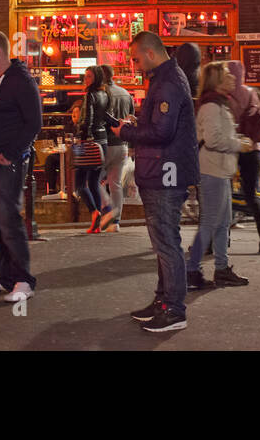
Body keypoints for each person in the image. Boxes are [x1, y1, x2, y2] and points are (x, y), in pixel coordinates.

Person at [112, 31, 199, 333]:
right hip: (163, 169)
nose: (134, 65)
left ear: (150, 53)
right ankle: (163, 302)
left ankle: (174, 310)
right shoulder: (166, 79)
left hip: (165, 172)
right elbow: (161, 127)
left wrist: (126, 133)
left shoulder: (168, 83)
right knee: (164, 241)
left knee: (166, 243)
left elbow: (162, 133)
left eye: (135, 59)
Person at [0, 30, 43, 302]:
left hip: (7, 162)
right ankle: (3, 275)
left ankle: (23, 279)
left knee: (9, 220)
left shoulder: (21, 82)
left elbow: (34, 123)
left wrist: (12, 153)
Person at [185, 61, 252, 291]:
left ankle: (221, 269)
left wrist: (237, 141)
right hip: (212, 171)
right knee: (210, 223)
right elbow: (213, 140)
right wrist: (239, 145)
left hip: (220, 170)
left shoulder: (219, 104)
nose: (232, 78)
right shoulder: (211, 107)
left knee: (222, 223)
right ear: (216, 81)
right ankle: (192, 271)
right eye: (226, 75)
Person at [227, 60, 260, 254]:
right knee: (252, 194)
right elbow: (258, 120)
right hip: (251, 148)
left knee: (224, 195)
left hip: (230, 147)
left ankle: (220, 239)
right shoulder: (251, 93)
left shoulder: (224, 95)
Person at [74, 66, 110, 233]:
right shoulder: (105, 94)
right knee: (94, 182)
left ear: (96, 78)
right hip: (102, 142)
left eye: (89, 76)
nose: (85, 79)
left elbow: (87, 119)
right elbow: (107, 117)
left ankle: (94, 212)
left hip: (88, 141)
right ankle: (98, 223)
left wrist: (81, 139)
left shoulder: (90, 95)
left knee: (79, 184)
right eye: (85, 76)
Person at [98, 64, 129, 232]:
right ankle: (115, 222)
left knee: (92, 181)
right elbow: (131, 117)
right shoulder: (125, 93)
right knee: (116, 184)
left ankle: (109, 211)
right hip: (122, 144)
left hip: (105, 143)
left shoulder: (102, 94)